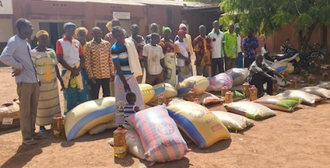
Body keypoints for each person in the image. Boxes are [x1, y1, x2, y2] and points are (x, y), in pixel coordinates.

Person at [0, 18, 40, 145]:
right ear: (22, 28)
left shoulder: (26, 42)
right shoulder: (14, 41)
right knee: (25, 110)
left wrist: (36, 78)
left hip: (33, 80)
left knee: (33, 109)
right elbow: (4, 57)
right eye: (29, 26)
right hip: (24, 81)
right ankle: (27, 137)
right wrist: (18, 66)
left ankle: (32, 132)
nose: (32, 28)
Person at [30, 30, 64, 133]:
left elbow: (55, 66)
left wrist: (60, 80)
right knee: (41, 104)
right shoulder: (33, 53)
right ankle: (42, 126)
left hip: (52, 84)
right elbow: (31, 68)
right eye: (42, 38)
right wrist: (36, 80)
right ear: (37, 39)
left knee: (54, 104)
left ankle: (54, 123)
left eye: (46, 38)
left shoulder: (51, 52)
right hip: (40, 84)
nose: (44, 40)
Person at [56, 22, 89, 115]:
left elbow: (82, 57)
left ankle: (81, 117)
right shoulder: (60, 42)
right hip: (67, 72)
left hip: (78, 72)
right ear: (65, 30)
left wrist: (78, 70)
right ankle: (69, 118)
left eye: (72, 29)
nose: (70, 31)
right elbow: (60, 59)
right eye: (68, 29)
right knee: (70, 96)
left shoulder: (77, 42)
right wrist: (72, 70)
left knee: (82, 94)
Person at [111, 26, 144, 110]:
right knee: (121, 101)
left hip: (131, 76)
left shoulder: (129, 44)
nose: (120, 37)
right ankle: (122, 122)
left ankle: (135, 119)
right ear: (114, 36)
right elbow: (118, 68)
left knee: (136, 100)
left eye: (121, 35)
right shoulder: (114, 49)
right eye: (117, 36)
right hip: (122, 79)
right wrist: (125, 83)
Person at [85, 27, 115, 100]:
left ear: (101, 33)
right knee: (95, 95)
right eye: (95, 33)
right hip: (95, 76)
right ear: (92, 34)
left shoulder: (107, 44)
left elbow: (110, 59)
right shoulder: (89, 45)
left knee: (107, 95)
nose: (97, 34)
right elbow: (87, 62)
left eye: (99, 32)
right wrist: (91, 76)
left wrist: (112, 73)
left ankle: (107, 111)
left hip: (106, 74)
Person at [75, 27, 91, 100]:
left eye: (83, 33)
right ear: (77, 34)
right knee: (79, 87)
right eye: (80, 33)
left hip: (88, 70)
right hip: (77, 70)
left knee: (89, 88)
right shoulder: (74, 45)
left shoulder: (89, 45)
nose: (81, 34)